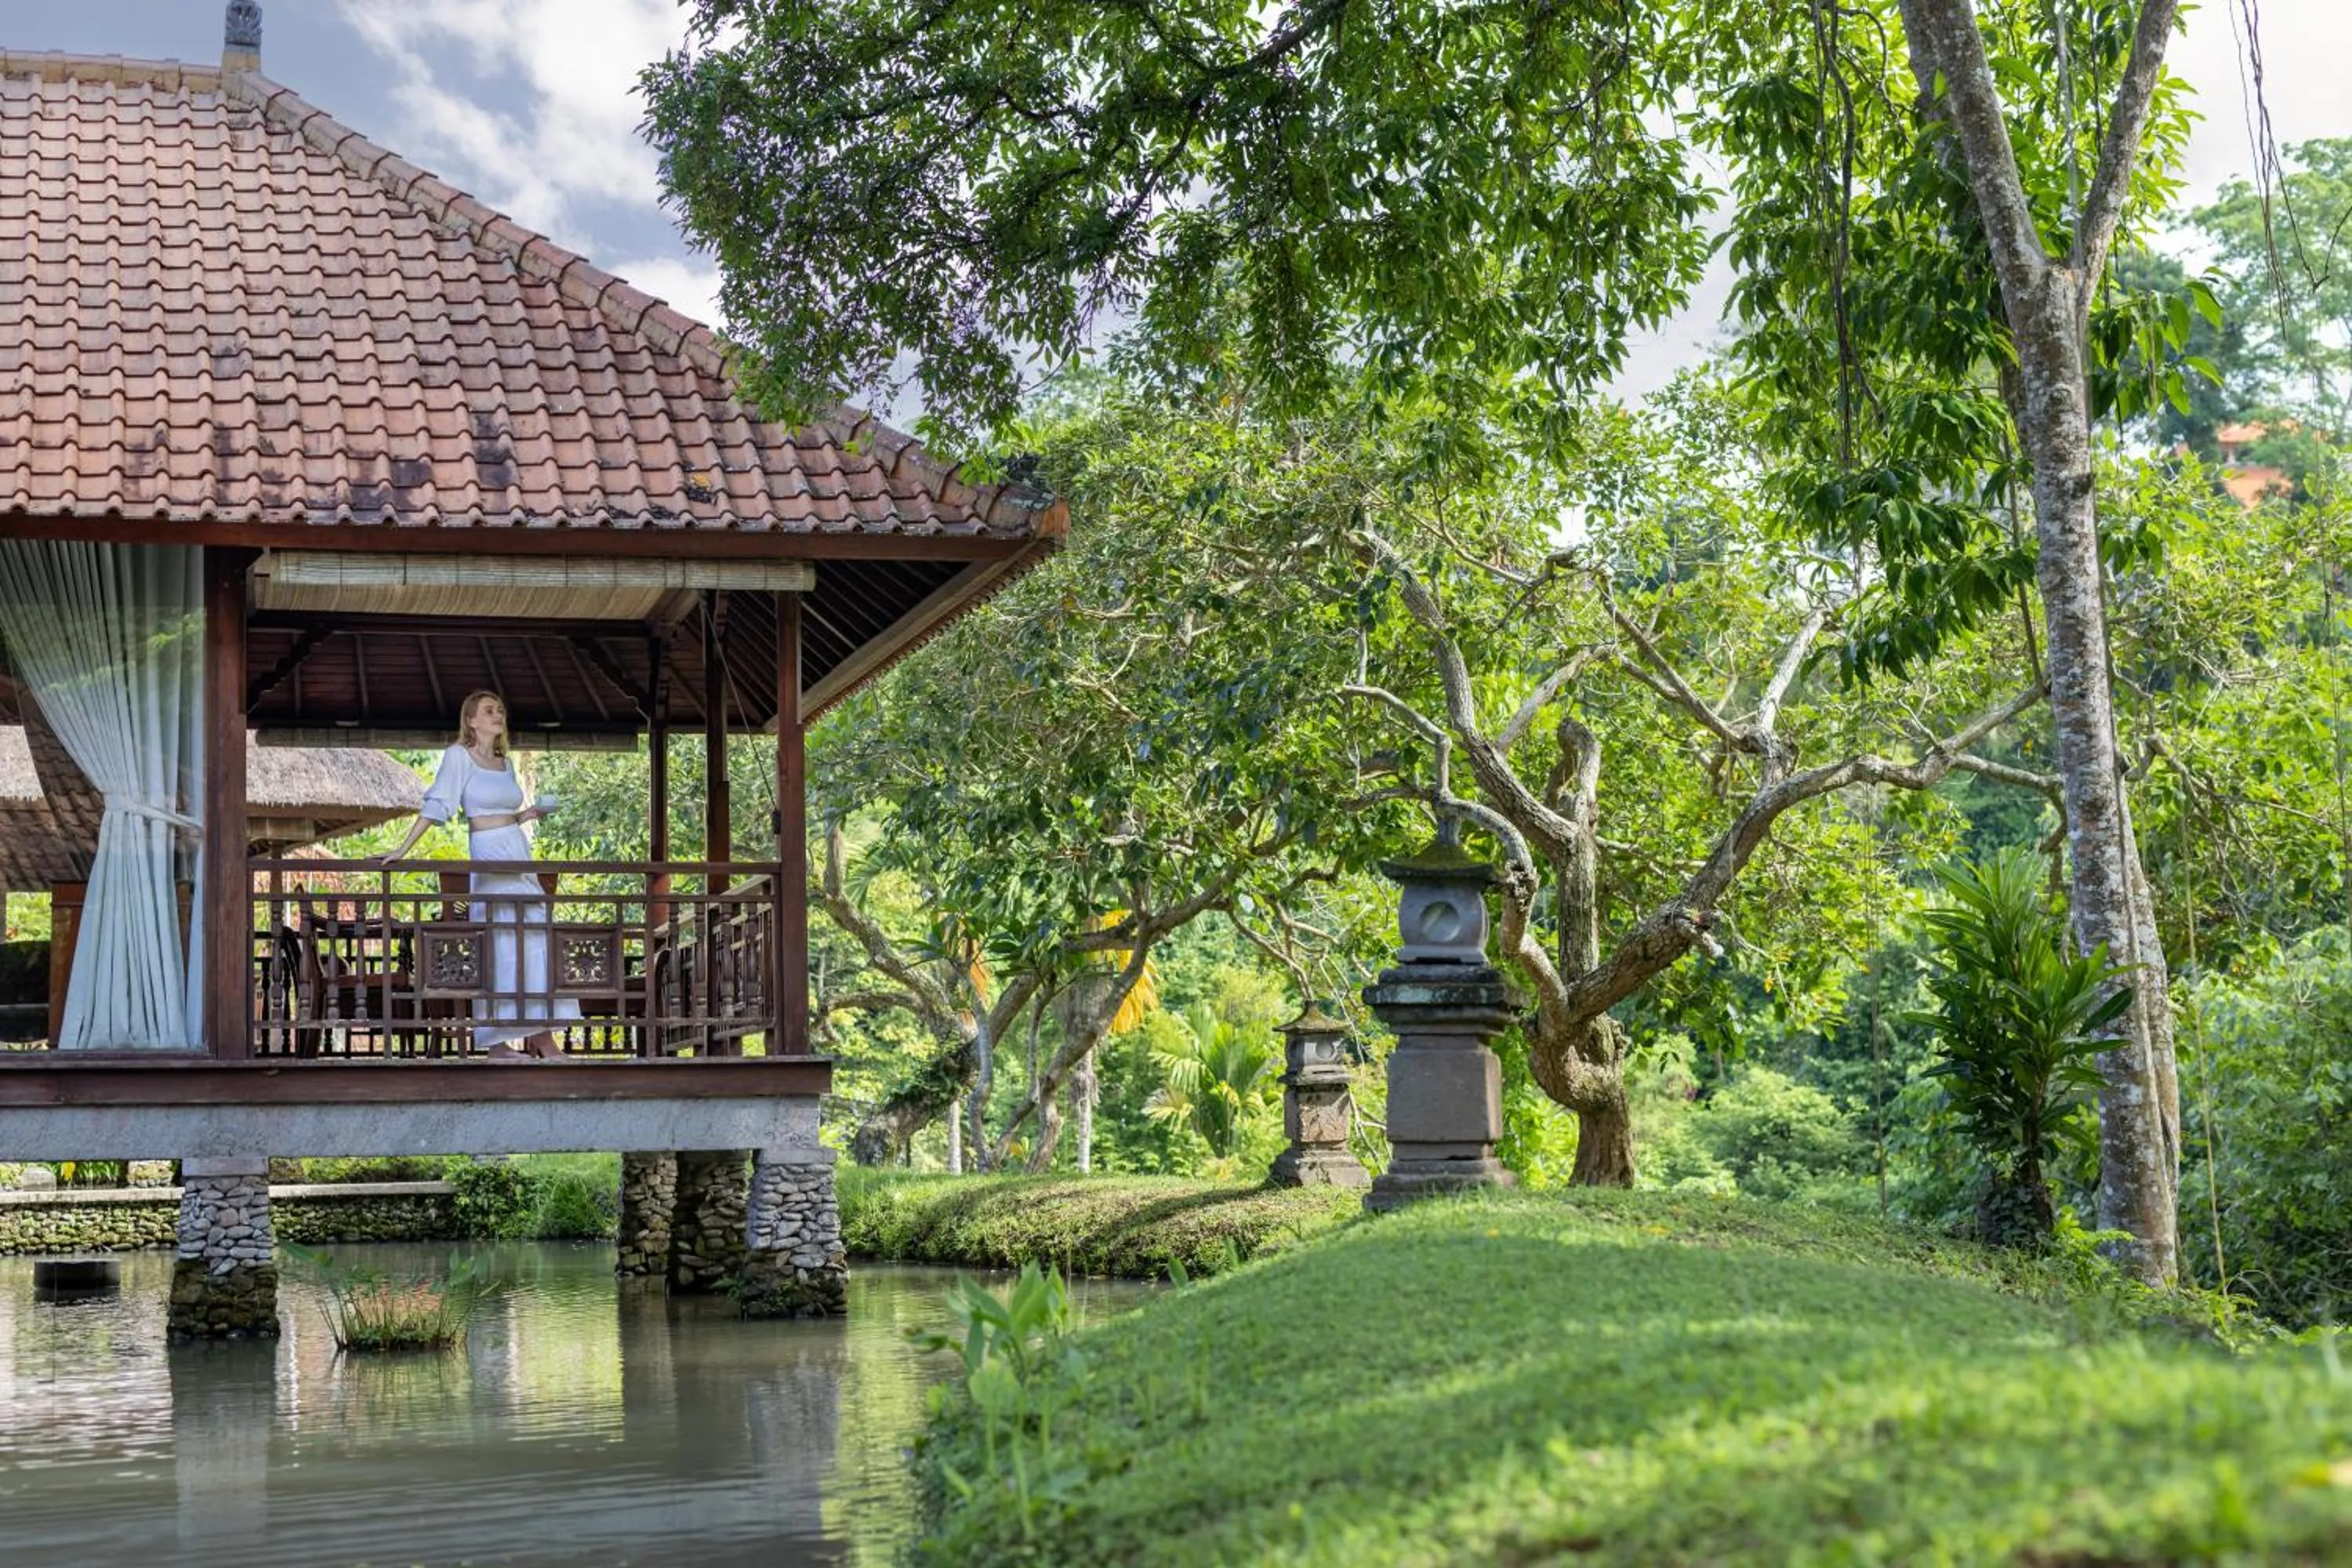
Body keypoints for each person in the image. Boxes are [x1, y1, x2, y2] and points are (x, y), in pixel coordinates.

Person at [377, 691, 579, 1060]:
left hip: (517, 848)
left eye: (500, 709)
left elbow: (503, 813)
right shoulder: (459, 756)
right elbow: (438, 803)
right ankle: (499, 1045)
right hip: (487, 852)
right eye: (489, 710)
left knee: (536, 936)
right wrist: (402, 850)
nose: (498, 714)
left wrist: (527, 814)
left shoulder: (505, 762)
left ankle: (540, 1036)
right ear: (471, 720)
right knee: (499, 944)